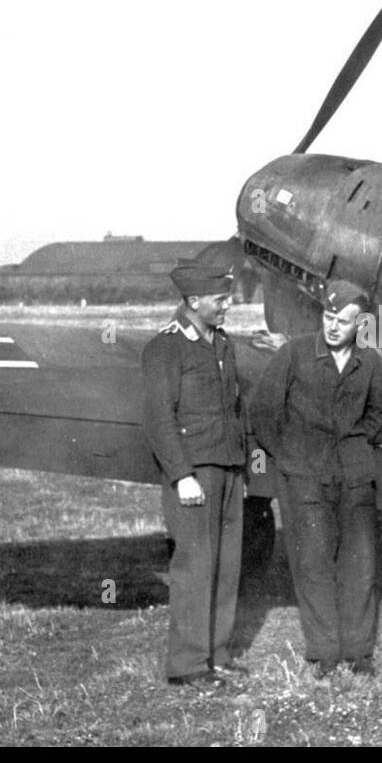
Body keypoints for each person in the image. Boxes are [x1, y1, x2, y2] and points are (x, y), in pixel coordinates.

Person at [250, 279, 382, 678]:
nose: (333, 327)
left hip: (354, 476)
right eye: (328, 317)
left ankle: (359, 652)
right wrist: (290, 457)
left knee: (359, 563)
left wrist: (358, 447)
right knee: (313, 563)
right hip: (304, 476)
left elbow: (377, 417)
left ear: (359, 326)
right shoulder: (293, 355)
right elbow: (264, 412)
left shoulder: (370, 362)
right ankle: (324, 651)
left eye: (343, 321)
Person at [141, 260, 248, 688]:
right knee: (194, 566)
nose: (228, 305)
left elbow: (234, 409)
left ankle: (216, 654)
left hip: (227, 468)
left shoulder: (222, 343)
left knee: (226, 564)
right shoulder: (165, 348)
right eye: (221, 300)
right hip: (194, 472)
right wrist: (181, 474)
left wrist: (241, 467)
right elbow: (158, 418)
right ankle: (187, 664)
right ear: (193, 301)